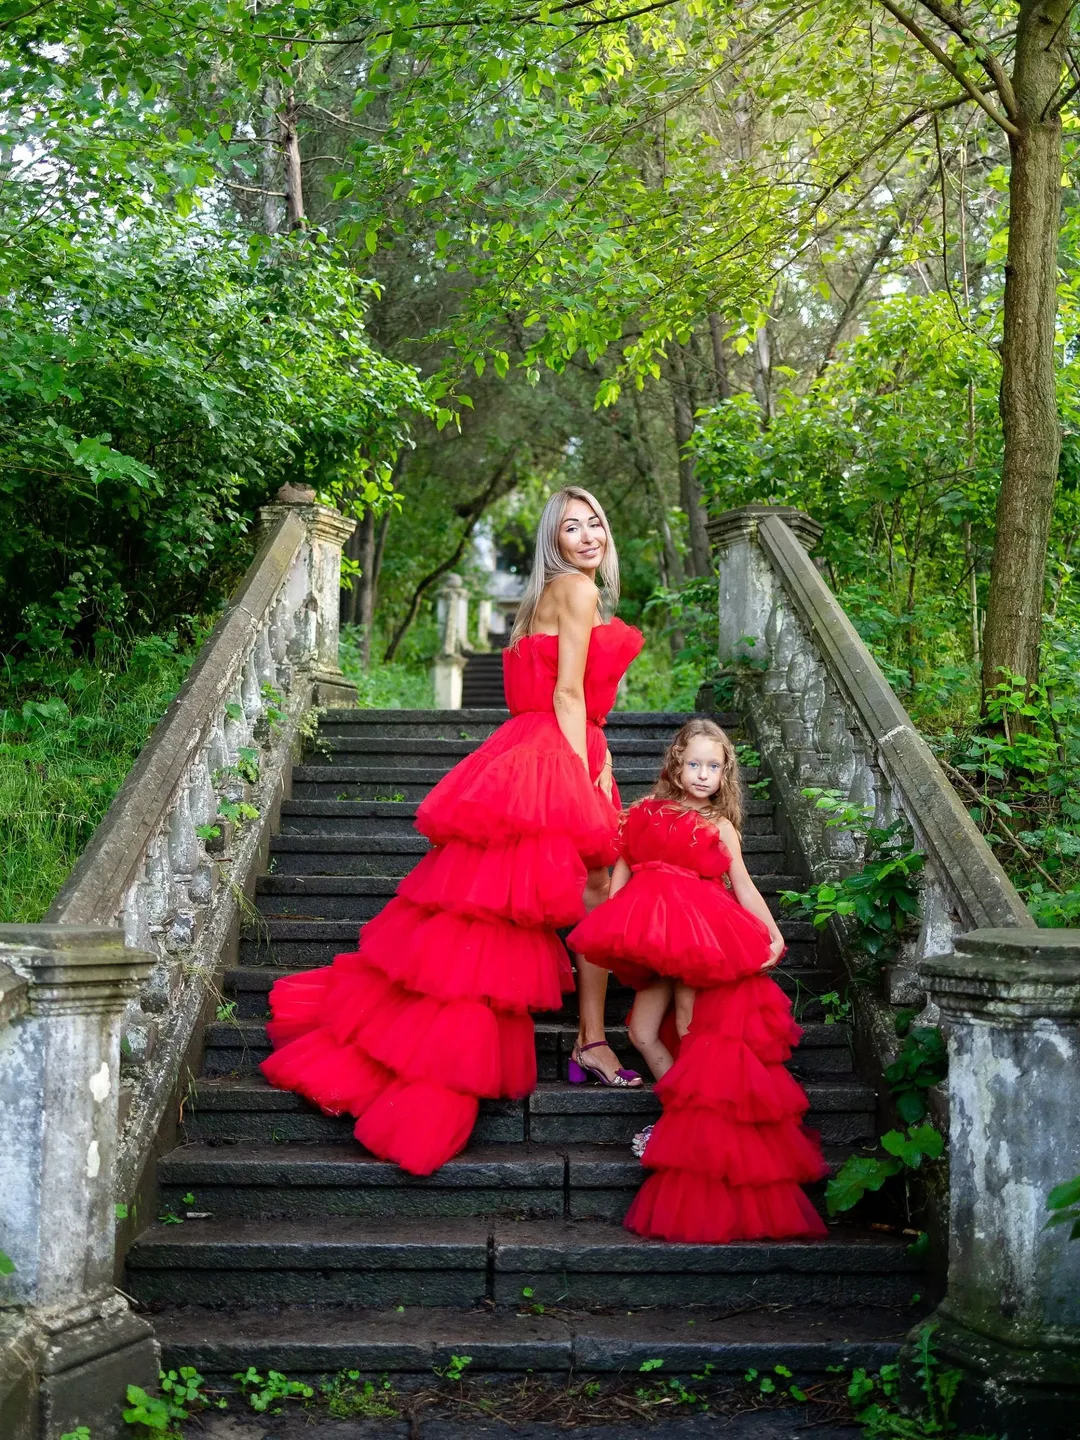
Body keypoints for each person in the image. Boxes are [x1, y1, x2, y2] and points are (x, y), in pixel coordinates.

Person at [261, 486, 643, 1175]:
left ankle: (588, 1038)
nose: (587, 537)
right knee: (582, 889)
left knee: (515, 903)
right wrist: (586, 769)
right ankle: (587, 1039)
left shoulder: (540, 599)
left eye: (595, 526)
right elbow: (565, 693)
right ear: (553, 542)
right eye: (571, 528)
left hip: (523, 751)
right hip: (558, 750)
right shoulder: (579, 594)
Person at [566, 718, 828, 1243]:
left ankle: (685, 1128)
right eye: (694, 764)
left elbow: (744, 886)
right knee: (641, 1031)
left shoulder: (720, 825)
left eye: (713, 766)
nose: (703, 774)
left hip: (702, 936)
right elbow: (619, 878)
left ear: (725, 772)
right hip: (654, 933)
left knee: (690, 1028)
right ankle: (680, 1114)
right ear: (675, 764)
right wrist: (617, 929)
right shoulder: (643, 814)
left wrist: (772, 934)